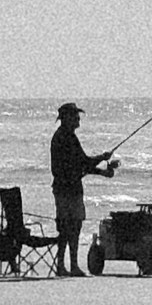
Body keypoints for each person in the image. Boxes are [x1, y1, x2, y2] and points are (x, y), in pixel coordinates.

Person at [49, 98, 105, 279]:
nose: (79, 120)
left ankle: (67, 265)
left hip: (68, 188)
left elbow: (81, 165)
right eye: (76, 117)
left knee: (72, 227)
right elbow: (83, 163)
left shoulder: (65, 136)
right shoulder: (65, 137)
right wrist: (102, 159)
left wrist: (101, 170)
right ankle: (67, 265)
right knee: (68, 228)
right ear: (67, 118)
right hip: (67, 190)